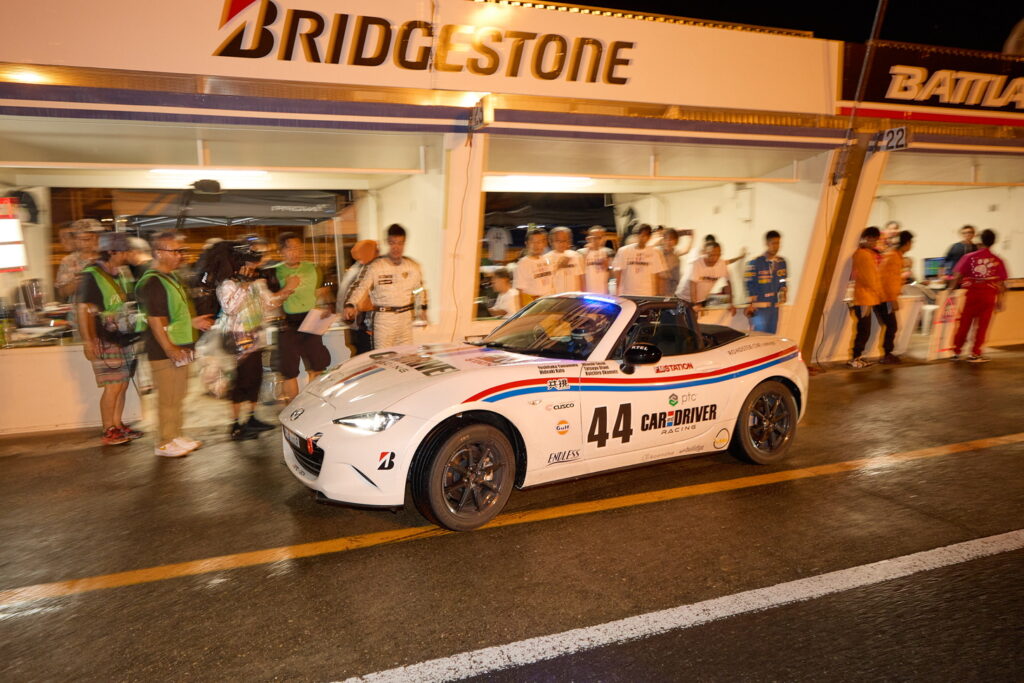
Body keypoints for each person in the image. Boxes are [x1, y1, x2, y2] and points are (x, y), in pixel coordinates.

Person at [136, 232, 214, 457]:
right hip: (166, 350)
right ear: (159, 253)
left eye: (182, 250)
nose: (181, 255)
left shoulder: (171, 278)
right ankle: (164, 442)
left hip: (182, 346)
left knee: (178, 395)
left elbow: (173, 315)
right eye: (175, 251)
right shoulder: (153, 281)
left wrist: (193, 321)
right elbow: (155, 319)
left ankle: (175, 435)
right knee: (168, 398)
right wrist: (170, 348)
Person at [206, 240, 291, 440]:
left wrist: (287, 290)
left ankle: (251, 418)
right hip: (237, 340)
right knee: (240, 383)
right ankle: (235, 425)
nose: (255, 265)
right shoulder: (227, 284)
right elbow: (230, 308)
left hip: (256, 337)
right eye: (251, 261)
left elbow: (269, 304)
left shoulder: (257, 282)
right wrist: (243, 285)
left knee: (255, 380)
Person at [75, 231, 141, 446]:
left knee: (122, 385)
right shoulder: (92, 274)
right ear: (111, 251)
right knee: (113, 385)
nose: (127, 255)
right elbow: (83, 308)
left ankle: (117, 424)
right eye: (124, 251)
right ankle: (108, 429)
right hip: (104, 339)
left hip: (122, 337)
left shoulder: (119, 273)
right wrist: (88, 340)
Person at [267, 232, 335, 402]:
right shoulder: (274, 273)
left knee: (318, 364)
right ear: (281, 251)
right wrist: (288, 288)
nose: (295, 252)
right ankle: (293, 408)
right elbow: (270, 303)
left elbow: (323, 291)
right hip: (286, 323)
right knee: (289, 370)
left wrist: (327, 305)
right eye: (290, 248)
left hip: (310, 319)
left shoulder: (313, 268)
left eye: (299, 248)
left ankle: (313, 403)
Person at [345, 224, 427, 349]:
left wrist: (422, 308)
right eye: (393, 243)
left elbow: (419, 289)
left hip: (405, 319)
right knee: (383, 358)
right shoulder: (376, 266)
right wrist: (351, 304)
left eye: (400, 243)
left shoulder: (412, 267)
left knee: (406, 356)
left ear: (404, 243)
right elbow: (360, 286)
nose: (396, 247)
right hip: (384, 320)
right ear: (387, 243)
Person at [949, 229, 1008, 363]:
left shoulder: (969, 257)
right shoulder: (997, 260)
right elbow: (1001, 283)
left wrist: (950, 290)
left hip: (972, 294)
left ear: (980, 240)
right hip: (988, 295)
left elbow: (957, 275)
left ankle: (957, 351)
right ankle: (975, 353)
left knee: (964, 323)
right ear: (993, 242)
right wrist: (1001, 300)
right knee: (982, 326)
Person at [848, 226, 887, 369]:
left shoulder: (863, 253)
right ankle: (855, 358)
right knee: (864, 329)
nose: (876, 243)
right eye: (875, 240)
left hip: (865, 297)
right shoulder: (863, 254)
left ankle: (857, 357)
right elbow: (871, 278)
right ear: (869, 238)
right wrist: (880, 292)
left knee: (863, 329)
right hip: (864, 298)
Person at [877, 230, 914, 364]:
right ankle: (887, 354)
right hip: (885, 298)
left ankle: (887, 353)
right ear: (907, 243)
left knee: (892, 326)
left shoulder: (895, 256)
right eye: (911, 242)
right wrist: (892, 299)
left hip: (885, 297)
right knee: (892, 326)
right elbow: (887, 281)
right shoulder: (893, 257)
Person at [338, 239, 379, 356]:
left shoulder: (354, 269)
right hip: (364, 326)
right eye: (375, 250)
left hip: (355, 325)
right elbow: (362, 302)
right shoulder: (365, 270)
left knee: (361, 357)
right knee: (368, 360)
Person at [744, 230, 788, 334]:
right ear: (767, 243)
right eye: (773, 243)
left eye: (778, 243)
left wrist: (784, 292)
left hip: (775, 308)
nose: (776, 246)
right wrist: (750, 304)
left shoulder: (782, 262)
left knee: (771, 340)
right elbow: (749, 285)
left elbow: (783, 281)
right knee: (759, 339)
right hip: (759, 310)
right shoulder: (754, 262)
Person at [677, 241, 735, 316]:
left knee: (722, 300)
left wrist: (730, 303)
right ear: (704, 253)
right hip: (684, 299)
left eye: (718, 255)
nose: (715, 258)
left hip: (702, 300)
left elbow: (728, 283)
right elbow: (693, 285)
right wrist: (694, 304)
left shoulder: (721, 264)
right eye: (711, 255)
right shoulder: (696, 263)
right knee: (683, 323)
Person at [612, 224, 666, 296]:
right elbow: (618, 272)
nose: (643, 238)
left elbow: (657, 275)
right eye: (641, 235)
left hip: (646, 292)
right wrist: (617, 291)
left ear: (649, 237)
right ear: (637, 235)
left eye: (646, 236)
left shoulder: (654, 252)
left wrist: (657, 293)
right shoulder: (624, 251)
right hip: (627, 292)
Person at [55, 219, 102, 302]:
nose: (84, 244)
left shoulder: (109, 257)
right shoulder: (68, 261)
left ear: (97, 238)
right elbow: (62, 292)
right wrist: (75, 283)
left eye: (87, 239)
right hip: (78, 311)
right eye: (79, 239)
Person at [513, 228, 554, 303]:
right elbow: (519, 292)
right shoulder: (523, 263)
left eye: (539, 242)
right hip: (534, 305)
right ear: (527, 244)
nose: (536, 245)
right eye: (533, 242)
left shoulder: (547, 259)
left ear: (544, 244)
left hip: (549, 302)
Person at [547, 226, 584, 293]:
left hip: (573, 296)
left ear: (569, 241)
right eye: (558, 241)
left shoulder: (576, 256)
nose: (561, 243)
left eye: (564, 240)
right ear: (551, 242)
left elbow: (581, 278)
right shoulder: (546, 258)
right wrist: (558, 266)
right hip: (556, 297)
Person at [578, 226, 613, 294]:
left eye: (600, 237)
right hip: (587, 292)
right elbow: (579, 272)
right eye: (594, 237)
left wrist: (607, 267)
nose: (597, 240)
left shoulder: (608, 252)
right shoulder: (580, 252)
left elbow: (613, 276)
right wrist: (587, 252)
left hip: (603, 292)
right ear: (588, 239)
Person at [657, 227, 681, 297]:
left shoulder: (675, 258)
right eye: (666, 239)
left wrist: (671, 294)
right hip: (651, 291)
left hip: (667, 293)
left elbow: (676, 279)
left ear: (676, 241)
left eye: (671, 239)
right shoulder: (656, 252)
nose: (668, 241)